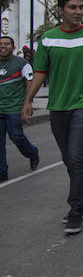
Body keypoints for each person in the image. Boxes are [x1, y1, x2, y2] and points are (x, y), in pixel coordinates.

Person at [22, 0, 83, 234]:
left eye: (80, 7)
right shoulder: (48, 39)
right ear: (60, 10)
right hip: (57, 106)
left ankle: (75, 209)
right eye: (73, 7)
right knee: (67, 158)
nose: (78, 11)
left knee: (75, 156)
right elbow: (39, 72)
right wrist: (28, 100)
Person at [0, 36, 39, 181]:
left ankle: (32, 153)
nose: (3, 46)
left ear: (13, 48)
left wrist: (27, 103)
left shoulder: (22, 63)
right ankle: (2, 172)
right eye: (1, 44)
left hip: (15, 108)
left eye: (7, 44)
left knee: (16, 135)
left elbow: (30, 81)